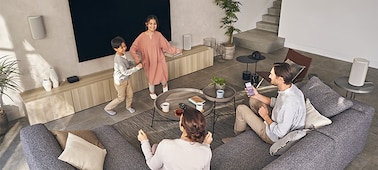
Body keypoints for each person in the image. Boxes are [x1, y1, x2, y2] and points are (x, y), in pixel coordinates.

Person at [224, 62, 306, 144]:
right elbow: (277, 103)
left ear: (280, 79)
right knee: (253, 100)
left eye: (272, 74)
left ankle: (237, 140)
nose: (269, 76)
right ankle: (253, 122)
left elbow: (280, 132)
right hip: (276, 119)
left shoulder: (288, 104)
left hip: (274, 136)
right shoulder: (292, 89)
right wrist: (257, 95)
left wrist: (265, 116)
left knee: (241, 109)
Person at [137, 107, 213, 170]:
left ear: (182, 127)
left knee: (155, 147)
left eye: (180, 121)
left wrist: (144, 141)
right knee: (156, 147)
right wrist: (206, 145)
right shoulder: (206, 152)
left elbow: (152, 166)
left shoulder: (166, 145)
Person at [130, 15, 182, 100]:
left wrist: (175, 50)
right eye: (150, 23)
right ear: (146, 24)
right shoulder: (142, 36)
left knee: (163, 76)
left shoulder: (158, 35)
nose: (152, 26)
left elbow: (167, 46)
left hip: (159, 59)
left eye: (154, 24)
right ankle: (152, 92)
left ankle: (165, 88)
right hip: (148, 61)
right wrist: (137, 59)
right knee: (151, 77)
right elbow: (133, 48)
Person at [104, 36, 143, 115]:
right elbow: (125, 72)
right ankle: (107, 108)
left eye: (124, 46)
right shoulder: (118, 60)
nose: (124, 48)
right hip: (120, 81)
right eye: (121, 47)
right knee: (121, 98)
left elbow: (127, 63)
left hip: (126, 79)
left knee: (130, 94)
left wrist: (135, 62)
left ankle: (128, 107)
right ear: (115, 49)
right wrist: (137, 68)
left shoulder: (122, 54)